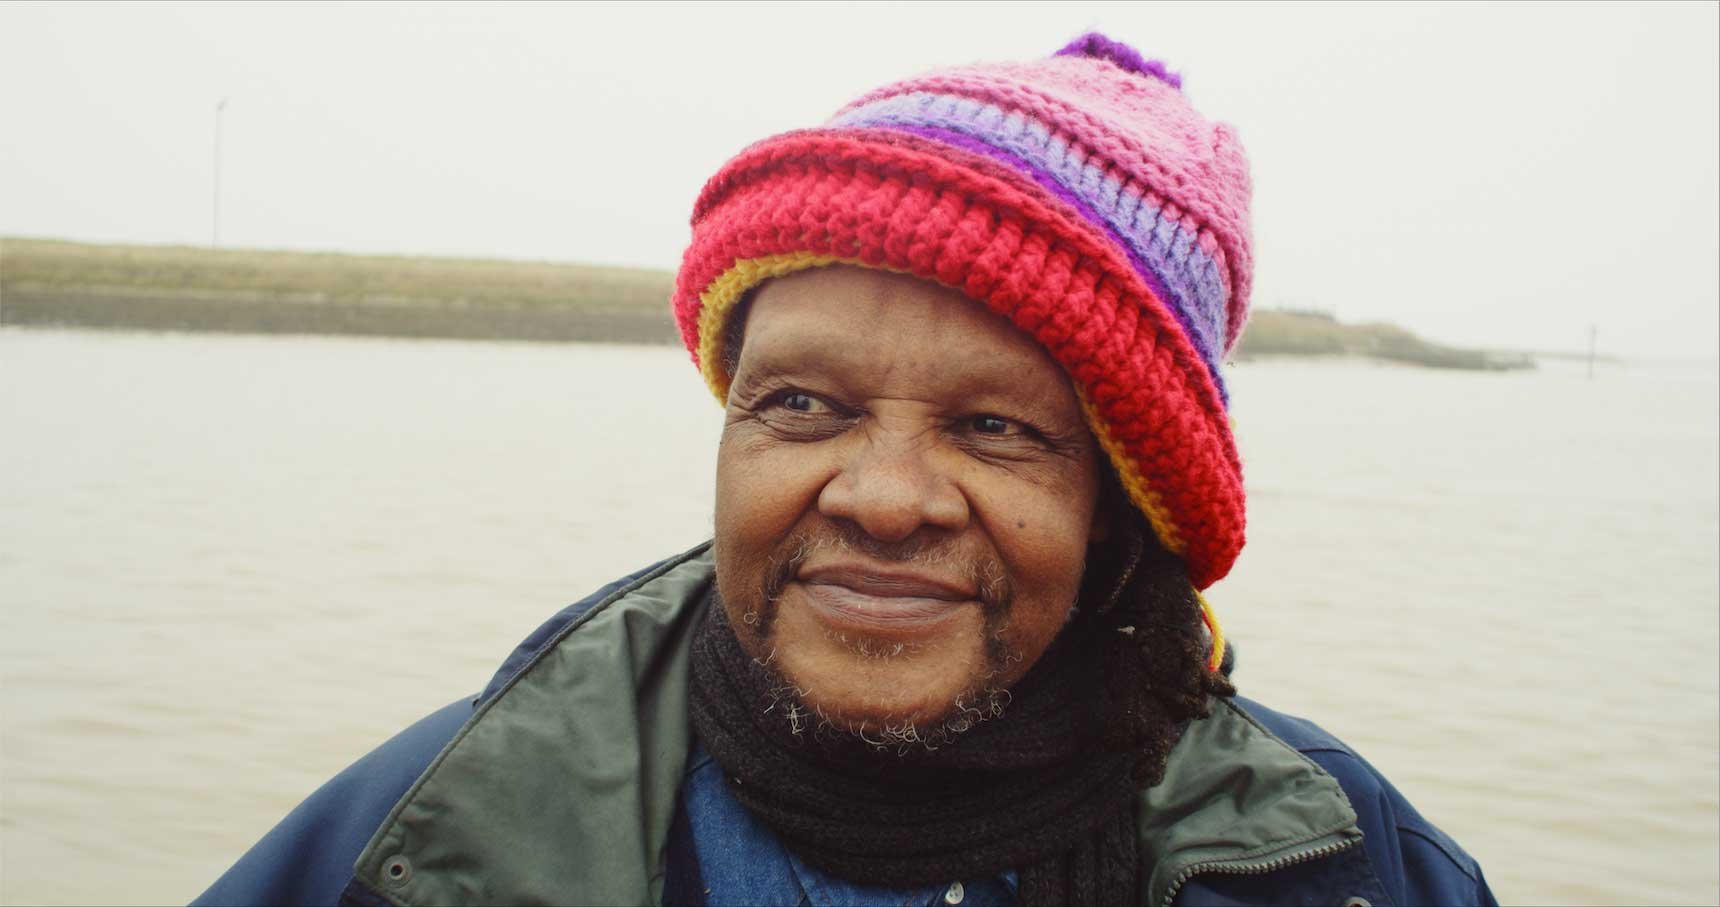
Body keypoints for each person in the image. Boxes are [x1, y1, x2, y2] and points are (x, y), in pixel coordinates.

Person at [195, 33, 1496, 907]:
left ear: (1121, 505)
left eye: (995, 427)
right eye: (803, 404)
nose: (880, 498)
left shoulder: (1346, 868)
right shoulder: (431, 833)